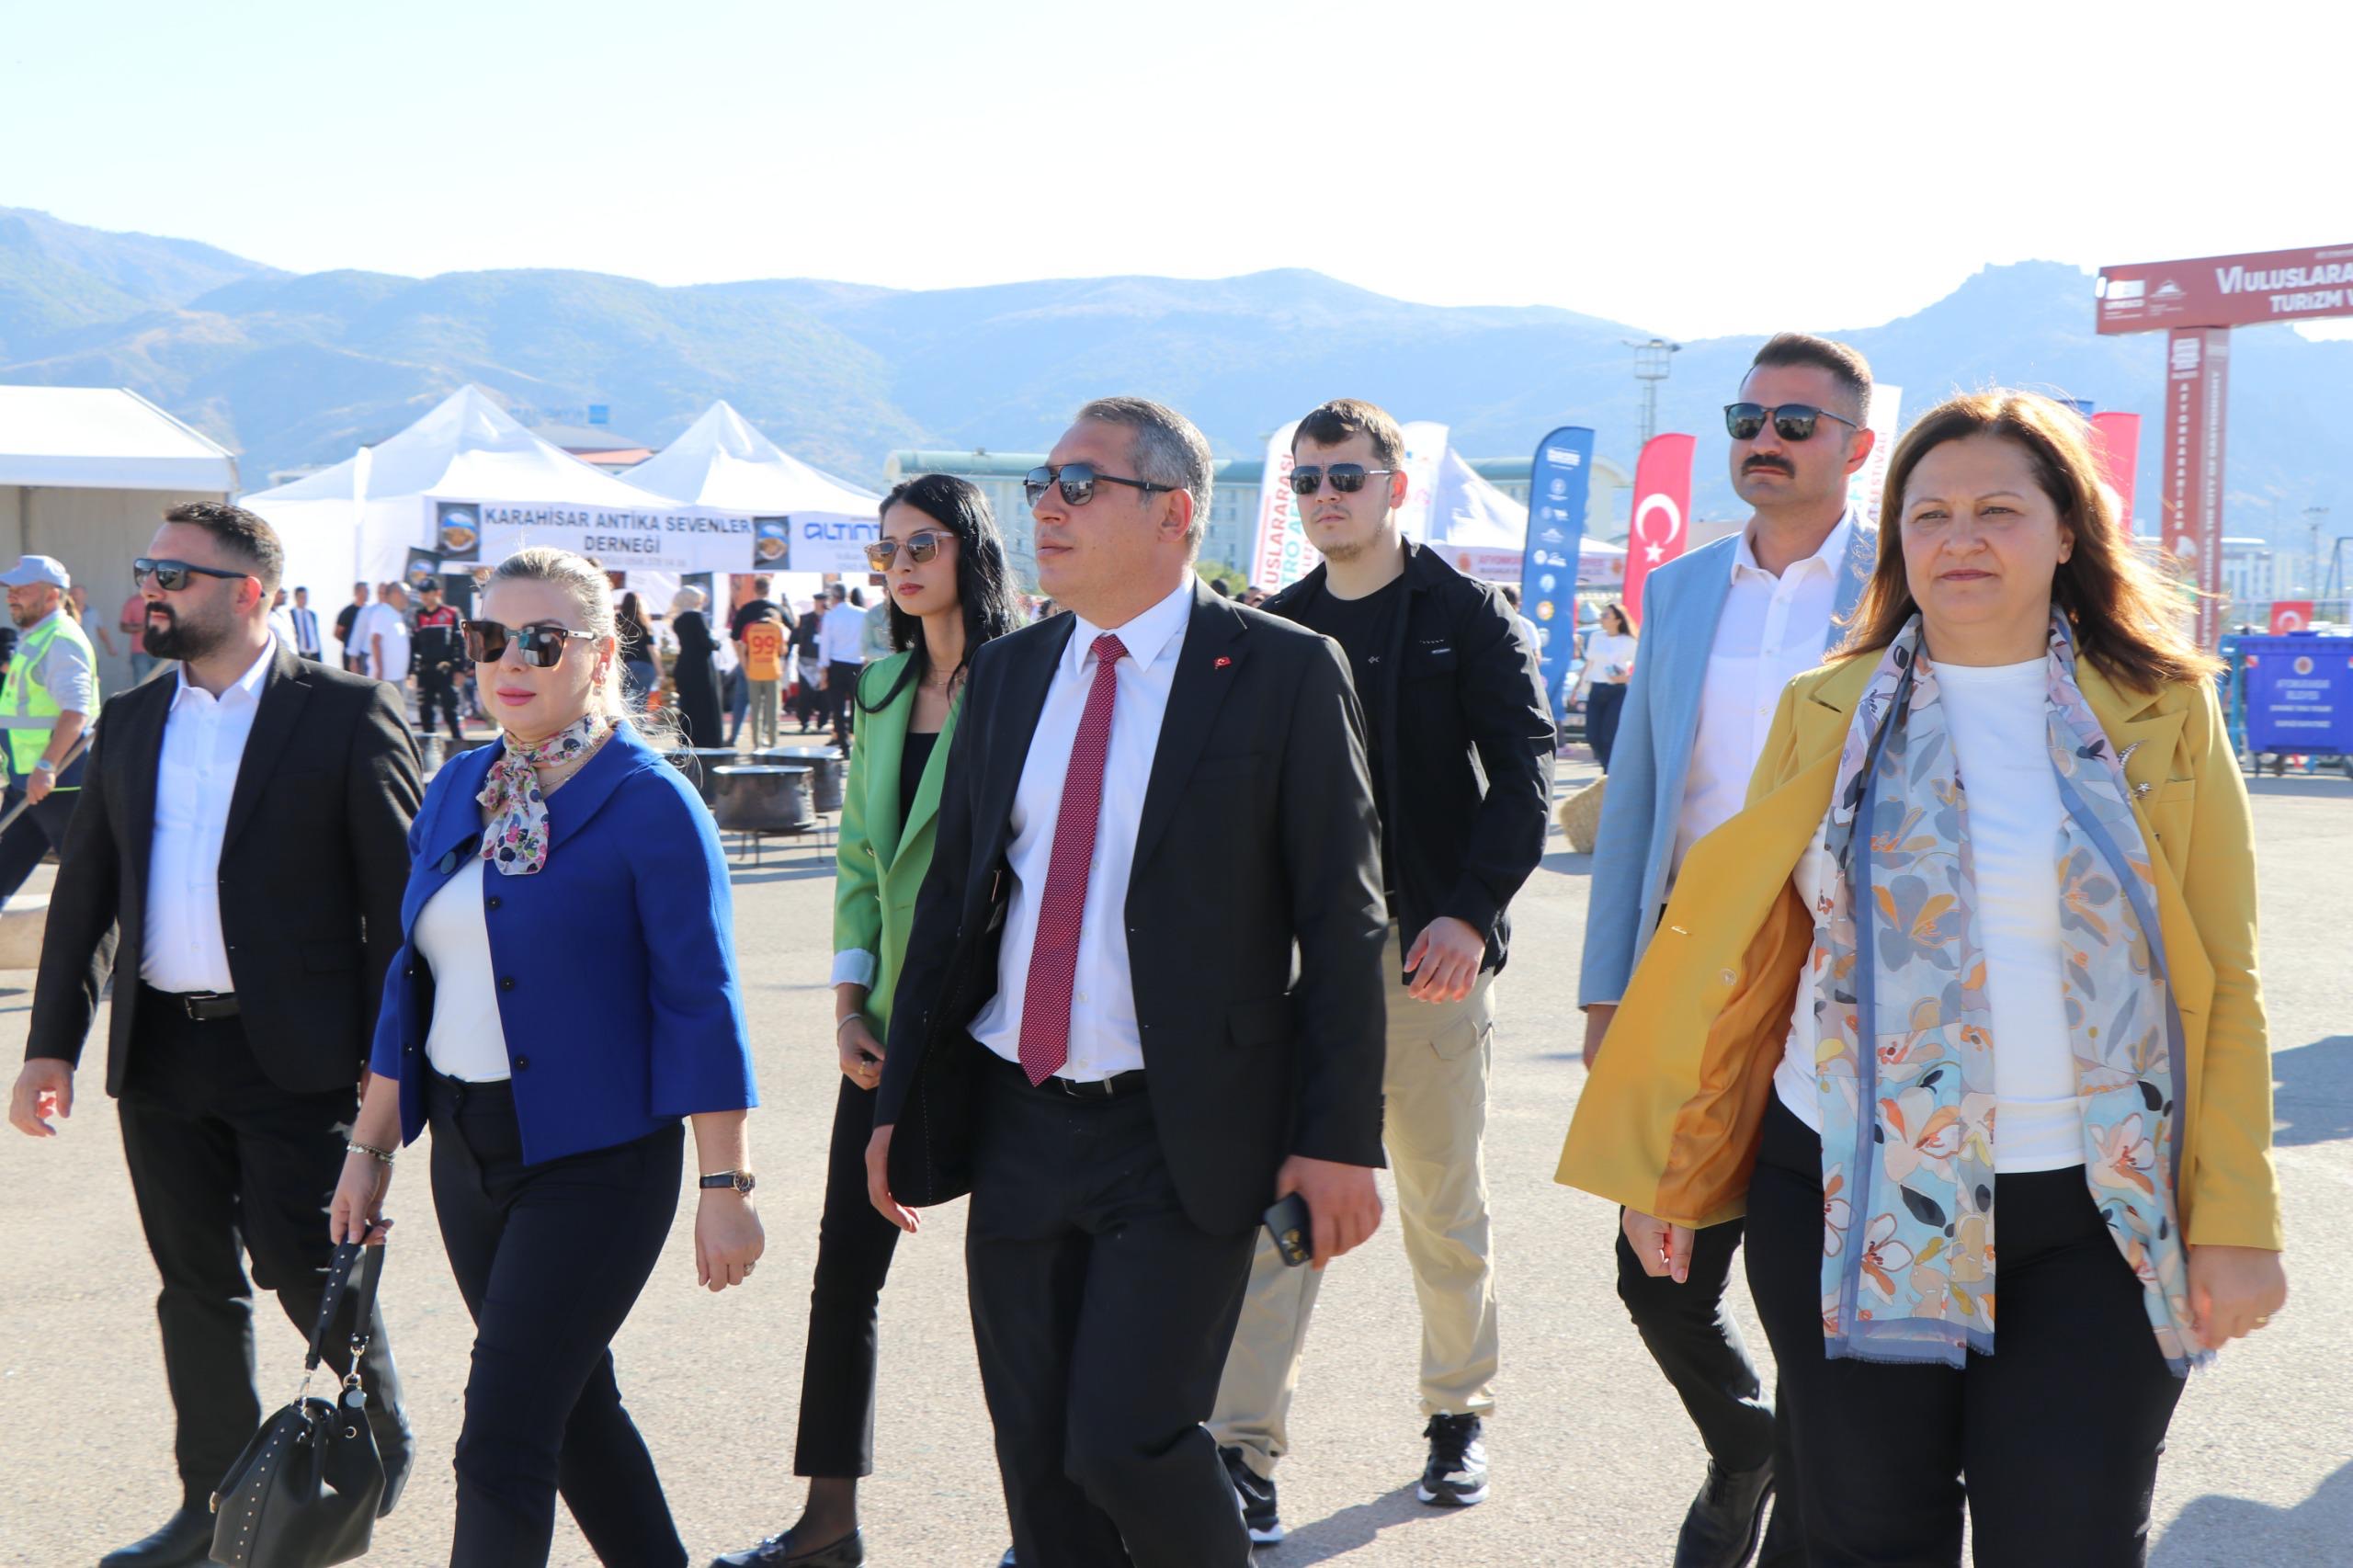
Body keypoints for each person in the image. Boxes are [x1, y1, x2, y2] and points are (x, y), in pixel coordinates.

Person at [1561, 390, 2289, 1566]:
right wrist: (1675, 1166)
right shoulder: (1827, 707)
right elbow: (1755, 964)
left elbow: (2227, 980)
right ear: (1894, 537)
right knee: (1859, 1538)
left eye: (1999, 508)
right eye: (1929, 512)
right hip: (1848, 1194)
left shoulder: (2163, 712)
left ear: (2066, 532)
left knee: (2066, 1539)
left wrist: (2238, 1220)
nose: (1959, 537)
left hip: (2093, 1213)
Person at [866, 397, 1389, 1568]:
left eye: (1079, 484)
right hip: (1016, 1114)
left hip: (1182, 1126)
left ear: (1175, 514)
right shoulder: (1008, 673)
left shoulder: (1284, 672)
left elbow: (1343, 920)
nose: (1044, 505)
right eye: (1043, 482)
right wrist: (900, 1101)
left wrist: (1342, 1136)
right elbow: (950, 906)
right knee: (1040, 1471)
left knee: (1126, 1442)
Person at [331, 546, 764, 1568]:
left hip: (598, 1158)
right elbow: (413, 977)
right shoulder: (458, 787)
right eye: (489, 639)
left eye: (542, 639)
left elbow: (700, 1001)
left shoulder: (651, 799)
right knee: (575, 1411)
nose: (510, 661)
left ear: (600, 652)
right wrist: (368, 1147)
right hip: (468, 1153)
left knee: (502, 1434)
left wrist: (725, 1181)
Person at [8, 504, 419, 1568]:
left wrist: (392, 1062)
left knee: (298, 1262)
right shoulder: (137, 718)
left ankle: (376, 1429)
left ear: (252, 592)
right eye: (148, 571)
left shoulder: (346, 713)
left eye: (175, 575)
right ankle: (213, 1509)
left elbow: (397, 908)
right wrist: (50, 1043)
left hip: (299, 1054)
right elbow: (88, 890)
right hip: (164, 1051)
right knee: (193, 1283)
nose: (152, 590)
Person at [1210, 399, 1555, 1539]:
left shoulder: (1466, 615)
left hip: (1428, 969)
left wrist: (1467, 914)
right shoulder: (1270, 626)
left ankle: (1458, 1413)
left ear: (1394, 483)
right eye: (1304, 481)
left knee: (1440, 1209)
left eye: (1344, 476)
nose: (1323, 497)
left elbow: (1521, 778)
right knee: (1280, 1213)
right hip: (1306, 977)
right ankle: (1242, 1449)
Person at [1577, 333, 1882, 1568]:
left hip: (1849, 981)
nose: (1764, 438)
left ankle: (1798, 1498)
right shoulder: (1687, 585)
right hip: (1693, 965)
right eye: (1747, 416)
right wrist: (1611, 985)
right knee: (1656, 1270)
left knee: (1817, 1281)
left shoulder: (1904, 579)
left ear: (1858, 448)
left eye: (1797, 423)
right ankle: (1748, 1442)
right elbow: (1640, 791)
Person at [716, 476, 1022, 1568]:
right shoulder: (884, 682)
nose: (899, 561)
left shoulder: (1027, 678)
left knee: (1020, 1293)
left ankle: (1052, 1531)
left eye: (921, 542)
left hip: (1003, 1026)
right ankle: (828, 1519)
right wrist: (848, 1003)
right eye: (885, 546)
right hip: (888, 1026)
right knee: (843, 1270)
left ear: (968, 549)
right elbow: (858, 860)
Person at [0, 555, 99, 909]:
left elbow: (76, 711)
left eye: (22, 589)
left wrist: (47, 767)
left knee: (89, 884)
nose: (12, 596)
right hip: (27, 783)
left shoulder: (60, 640)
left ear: (52, 594)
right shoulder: (36, 636)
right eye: (10, 589)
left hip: (60, 785)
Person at [1573, 602, 1639, 771]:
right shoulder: (1596, 637)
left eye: (1606, 615)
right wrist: (1576, 687)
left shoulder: (1629, 641)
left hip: (1617, 691)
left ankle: (1608, 773)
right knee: (1592, 736)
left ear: (1617, 620)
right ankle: (1607, 768)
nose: (1602, 618)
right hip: (1597, 689)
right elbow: (1589, 663)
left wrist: (1627, 677)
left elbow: (1641, 668)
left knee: (1608, 735)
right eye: (1602, 615)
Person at [669, 585, 725, 749]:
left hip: (684, 664)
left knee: (688, 704)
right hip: (701, 666)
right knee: (706, 704)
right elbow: (707, 642)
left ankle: (688, 738)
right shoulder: (698, 618)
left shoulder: (678, 620)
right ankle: (709, 740)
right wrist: (717, 643)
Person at [411, 580, 464, 744]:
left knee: (450, 709)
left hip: (445, 670)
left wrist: (460, 669)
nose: (424, 596)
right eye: (422, 592)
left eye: (428, 592)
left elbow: (459, 643)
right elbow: (414, 646)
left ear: (437, 593)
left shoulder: (450, 613)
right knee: (425, 710)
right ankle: (429, 747)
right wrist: (411, 671)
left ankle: (458, 744)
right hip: (425, 671)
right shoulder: (418, 615)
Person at [817, 584, 868, 750]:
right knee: (858, 706)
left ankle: (844, 745)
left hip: (836, 665)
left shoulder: (831, 616)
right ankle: (859, 740)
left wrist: (823, 668)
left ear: (833, 597)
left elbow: (825, 645)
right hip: (857, 663)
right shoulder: (862, 614)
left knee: (837, 708)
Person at [741, 609, 789, 751]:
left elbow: (743, 650)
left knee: (755, 709)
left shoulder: (749, 627)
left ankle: (757, 742)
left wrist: (746, 669)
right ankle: (773, 742)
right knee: (773, 708)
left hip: (754, 671)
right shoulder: (777, 627)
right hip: (772, 671)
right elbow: (782, 650)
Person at [363, 581, 415, 707]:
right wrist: (380, 671)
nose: (408, 598)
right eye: (406, 594)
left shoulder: (396, 615)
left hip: (397, 677)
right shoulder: (382, 613)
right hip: (387, 678)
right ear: (396, 594)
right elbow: (376, 641)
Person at [617, 590, 662, 711]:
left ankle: (617, 726)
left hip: (625, 665)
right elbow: (651, 648)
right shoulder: (643, 621)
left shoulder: (617, 620)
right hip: (645, 665)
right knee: (640, 704)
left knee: (619, 700)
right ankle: (638, 728)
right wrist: (660, 670)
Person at [790, 602, 825, 733]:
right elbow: (795, 636)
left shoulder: (830, 618)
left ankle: (822, 722)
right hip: (806, 662)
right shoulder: (805, 619)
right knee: (805, 694)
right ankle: (804, 722)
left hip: (823, 662)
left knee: (824, 694)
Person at [122, 584, 162, 683]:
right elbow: (123, 626)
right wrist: (141, 627)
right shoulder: (133, 602)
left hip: (162, 650)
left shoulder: (163, 601)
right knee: (143, 683)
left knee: (164, 684)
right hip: (140, 652)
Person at [336, 581, 371, 673]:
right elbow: (337, 632)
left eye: (368, 591)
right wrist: (349, 642)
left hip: (364, 655)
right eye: (365, 591)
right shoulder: (347, 612)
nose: (367, 593)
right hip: (350, 656)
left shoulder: (370, 612)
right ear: (357, 592)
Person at [288, 585, 324, 661]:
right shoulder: (290, 614)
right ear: (296, 598)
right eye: (301, 597)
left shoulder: (311, 614)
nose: (304, 600)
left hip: (314, 654)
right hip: (300, 654)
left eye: (305, 597)